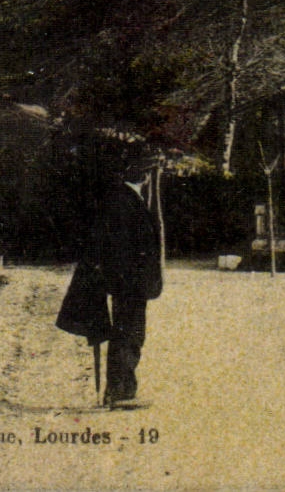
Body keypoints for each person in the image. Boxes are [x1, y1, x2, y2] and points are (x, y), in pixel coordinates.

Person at [58, 138, 163, 406]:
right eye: (148, 171)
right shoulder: (122, 200)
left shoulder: (125, 198)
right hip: (128, 283)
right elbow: (116, 247)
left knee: (130, 335)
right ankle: (120, 392)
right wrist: (131, 279)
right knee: (128, 336)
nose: (150, 177)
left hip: (129, 283)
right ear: (142, 174)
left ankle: (122, 390)